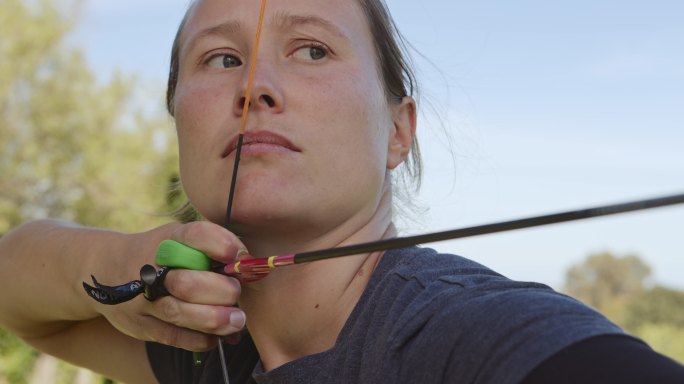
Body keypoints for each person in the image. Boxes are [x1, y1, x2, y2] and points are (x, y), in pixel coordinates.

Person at [1, 0, 683, 383]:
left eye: (313, 50)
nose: (253, 87)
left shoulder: (468, 337)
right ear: (178, 117)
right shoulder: (206, 348)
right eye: (222, 58)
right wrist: (124, 261)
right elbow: (20, 293)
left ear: (397, 130)